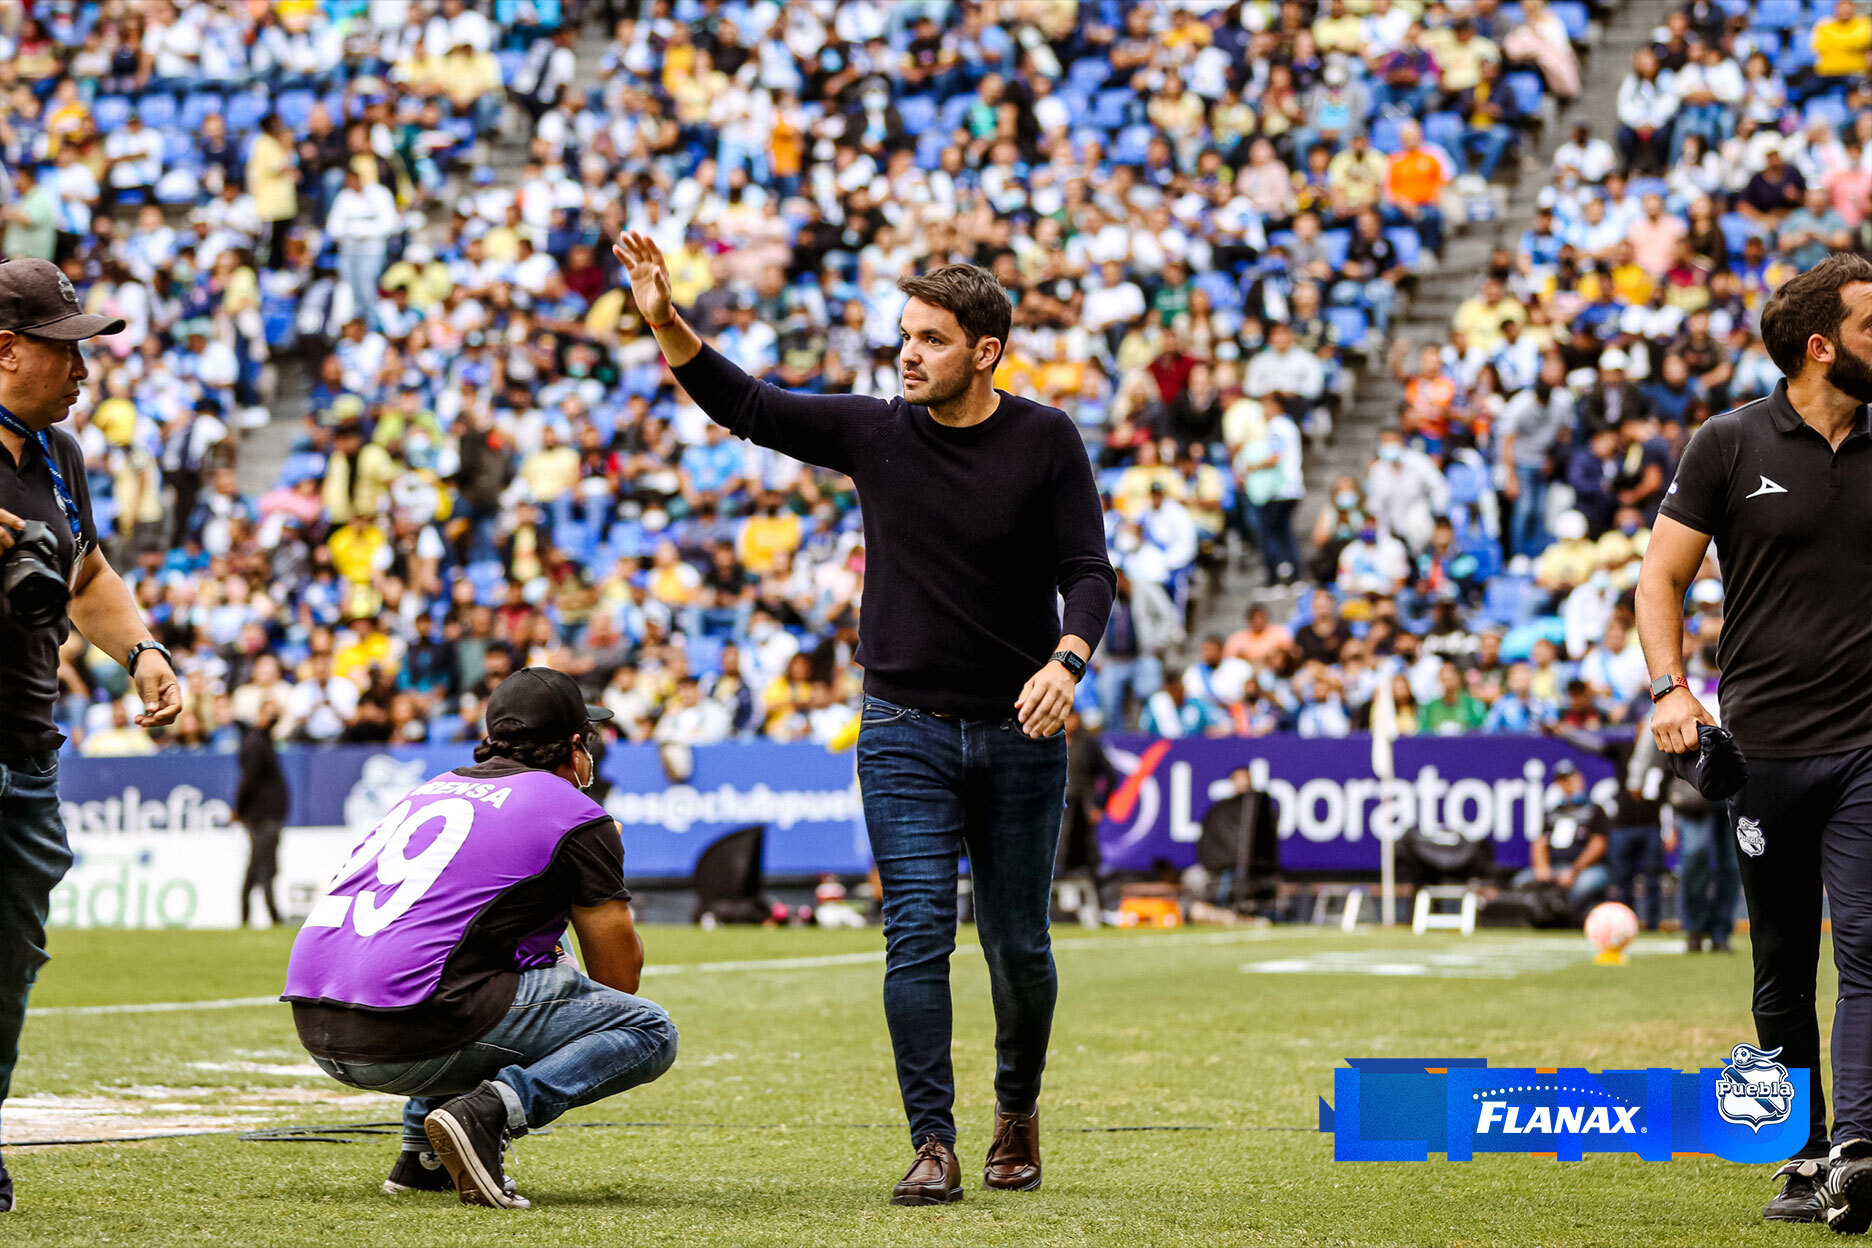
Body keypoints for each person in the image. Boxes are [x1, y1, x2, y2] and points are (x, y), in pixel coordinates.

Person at [614, 233, 1115, 1205]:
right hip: (903, 730)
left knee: (1018, 943)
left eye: (931, 338)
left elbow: (1087, 573)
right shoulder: (874, 431)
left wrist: (1069, 658)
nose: (909, 354)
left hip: (1021, 733)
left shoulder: (1046, 439)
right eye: (904, 337)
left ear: (986, 351)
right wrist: (666, 320)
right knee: (917, 931)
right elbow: (748, 406)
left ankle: (1018, 1109)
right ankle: (934, 1142)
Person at [1636, 253, 1872, 1227]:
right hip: (1764, 750)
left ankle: (1858, 1147)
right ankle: (1802, 1151)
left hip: (1867, 745)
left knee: (1866, 939)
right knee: (1779, 964)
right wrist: (1670, 688)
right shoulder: (1727, 444)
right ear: (1821, 346)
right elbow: (1658, 582)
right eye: (1870, 324)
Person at [283, 668, 677, 1210]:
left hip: (317, 1023)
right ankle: (488, 1115)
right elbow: (618, 980)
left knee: (483, 974)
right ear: (576, 744)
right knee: (649, 1030)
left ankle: (423, 1153)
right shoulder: (577, 814)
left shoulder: (431, 788)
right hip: (406, 1034)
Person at [0, 258, 182, 1212]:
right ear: (4, 349)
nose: (84, 371)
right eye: (65, 350)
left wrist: (142, 649)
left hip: (29, 753)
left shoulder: (59, 454)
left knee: (9, 960)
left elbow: (87, 571)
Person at [1510, 759, 1609, 917]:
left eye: (1569, 778)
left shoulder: (1594, 810)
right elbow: (1540, 842)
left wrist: (1574, 870)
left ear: (1579, 778)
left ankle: (1570, 918)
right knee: (1521, 881)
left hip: (1584, 869)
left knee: (1584, 886)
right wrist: (1543, 868)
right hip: (1555, 867)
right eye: (1561, 779)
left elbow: (1598, 844)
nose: (1566, 783)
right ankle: (1545, 917)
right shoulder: (1552, 811)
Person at [234, 700, 288, 927]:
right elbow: (248, 780)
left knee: (260, 865)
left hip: (266, 814)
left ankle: (249, 916)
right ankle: (269, 915)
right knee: (263, 866)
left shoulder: (262, 740)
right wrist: (239, 808)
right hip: (262, 814)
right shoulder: (256, 742)